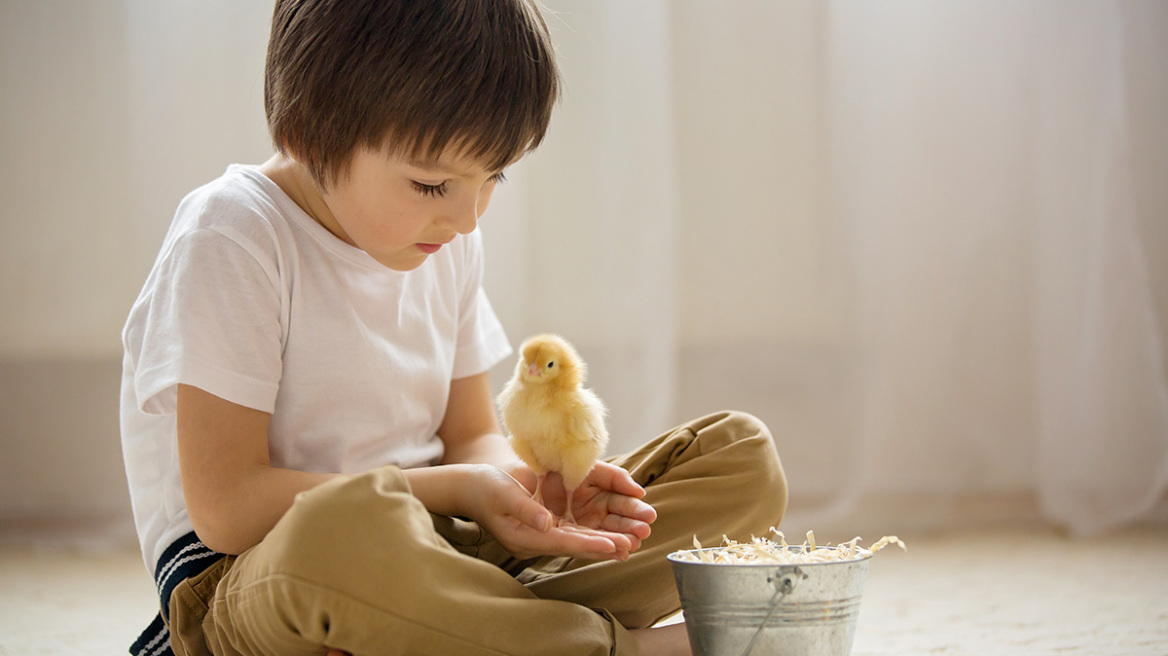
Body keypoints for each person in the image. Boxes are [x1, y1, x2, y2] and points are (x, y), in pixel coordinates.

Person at [120, 1, 788, 655]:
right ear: (304, 133)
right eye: (433, 185)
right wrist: (451, 490)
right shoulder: (234, 234)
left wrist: (533, 494)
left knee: (738, 457)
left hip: (437, 546)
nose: (469, 218)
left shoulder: (445, 241)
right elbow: (229, 509)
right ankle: (618, 648)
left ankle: (480, 630)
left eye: (492, 175)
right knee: (345, 534)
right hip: (264, 577)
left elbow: (471, 436)